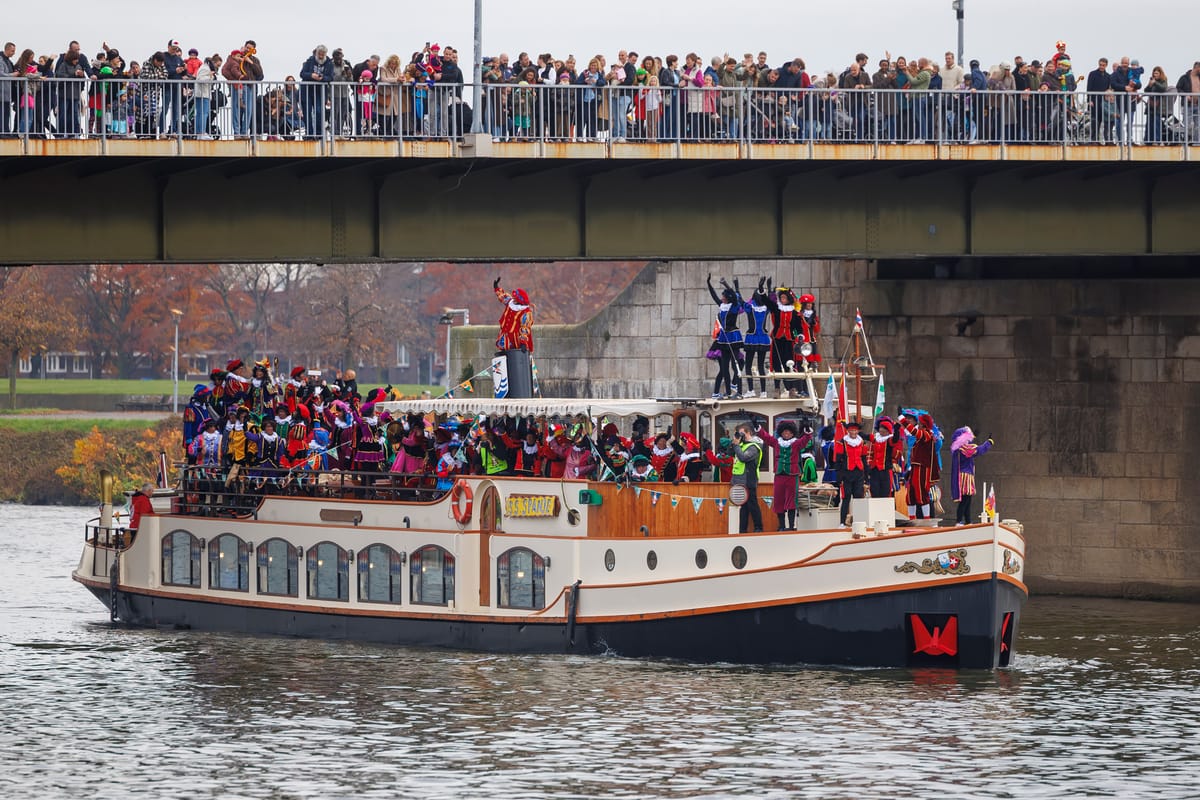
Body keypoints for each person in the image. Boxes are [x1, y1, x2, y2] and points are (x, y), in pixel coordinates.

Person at [757, 419, 802, 531]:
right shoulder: (777, 443)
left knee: (791, 501)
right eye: (784, 432)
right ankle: (781, 526)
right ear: (781, 433)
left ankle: (791, 526)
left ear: (792, 433)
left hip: (792, 474)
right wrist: (757, 426)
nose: (786, 434)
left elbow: (806, 439)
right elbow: (766, 437)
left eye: (789, 432)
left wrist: (807, 431)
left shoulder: (796, 443)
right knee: (778, 500)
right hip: (779, 474)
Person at [706, 274, 744, 399]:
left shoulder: (733, 307)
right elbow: (713, 296)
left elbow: (733, 295)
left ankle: (739, 391)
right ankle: (728, 392)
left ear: (727, 298)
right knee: (725, 366)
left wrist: (726, 284)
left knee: (735, 364)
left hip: (733, 337)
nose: (721, 298)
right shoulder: (722, 306)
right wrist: (708, 283)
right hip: (723, 338)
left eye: (723, 296)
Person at [899, 412, 940, 520]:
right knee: (911, 494)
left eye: (921, 423)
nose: (919, 424)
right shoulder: (921, 437)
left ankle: (926, 518)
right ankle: (912, 518)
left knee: (921, 492)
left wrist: (902, 419)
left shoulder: (926, 434)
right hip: (915, 468)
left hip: (922, 468)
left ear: (924, 425)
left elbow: (914, 431)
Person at [950, 426, 993, 525]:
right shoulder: (964, 448)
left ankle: (968, 520)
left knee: (967, 500)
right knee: (965, 500)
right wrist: (989, 442)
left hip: (965, 475)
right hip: (965, 476)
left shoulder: (958, 448)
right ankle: (959, 520)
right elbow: (978, 450)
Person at [731, 423, 763, 533]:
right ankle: (742, 529)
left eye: (741, 433)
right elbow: (730, 454)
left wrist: (736, 446)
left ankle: (758, 527)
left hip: (749, 479)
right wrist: (734, 443)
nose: (740, 436)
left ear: (748, 433)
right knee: (743, 507)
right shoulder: (742, 445)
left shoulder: (754, 447)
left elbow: (744, 457)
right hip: (739, 480)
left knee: (752, 505)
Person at [833, 420, 866, 527]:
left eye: (855, 430)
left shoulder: (862, 442)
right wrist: (839, 476)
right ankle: (842, 522)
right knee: (846, 497)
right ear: (848, 431)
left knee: (858, 497)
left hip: (859, 472)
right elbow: (838, 460)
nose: (853, 432)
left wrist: (866, 474)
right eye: (851, 430)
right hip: (846, 472)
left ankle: (857, 521)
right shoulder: (842, 442)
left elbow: (864, 458)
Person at [494, 277, 534, 353]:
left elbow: (525, 328)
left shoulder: (525, 312)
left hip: (516, 339)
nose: (513, 298)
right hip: (505, 334)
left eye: (515, 298)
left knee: (515, 354)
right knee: (504, 352)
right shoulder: (510, 302)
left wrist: (523, 342)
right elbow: (502, 297)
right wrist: (497, 288)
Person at [866, 416, 901, 498]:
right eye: (881, 427)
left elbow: (895, 439)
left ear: (888, 431)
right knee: (874, 491)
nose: (881, 430)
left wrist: (896, 429)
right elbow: (865, 436)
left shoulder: (889, 440)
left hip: (885, 469)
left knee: (885, 491)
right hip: (874, 470)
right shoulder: (875, 438)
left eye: (884, 428)